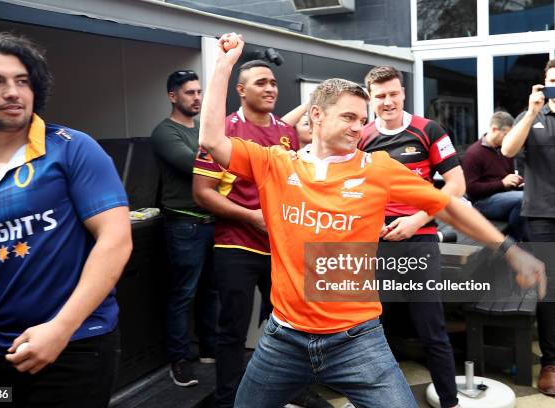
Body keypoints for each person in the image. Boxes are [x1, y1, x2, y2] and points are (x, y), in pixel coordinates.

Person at [198, 32, 546, 408]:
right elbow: (212, 139)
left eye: (361, 120)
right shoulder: (275, 164)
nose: (357, 127)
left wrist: (509, 250)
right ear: (316, 115)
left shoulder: (377, 168)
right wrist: (223, 65)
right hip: (283, 340)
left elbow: (449, 204)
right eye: (348, 116)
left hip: (357, 339)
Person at [0, 33, 132, 406]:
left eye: (23, 81)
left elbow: (116, 240)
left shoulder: (72, 147)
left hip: (77, 343)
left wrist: (61, 329)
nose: (13, 91)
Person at [193, 60, 327, 408]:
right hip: (234, 245)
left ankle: (292, 390)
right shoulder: (221, 130)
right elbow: (202, 192)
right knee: (233, 331)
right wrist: (251, 217)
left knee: (290, 327)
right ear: (241, 90)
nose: (270, 89)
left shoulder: (287, 131)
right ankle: (227, 399)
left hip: (281, 246)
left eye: (273, 83)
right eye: (261, 83)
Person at [358, 65, 465, 408]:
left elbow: (457, 185)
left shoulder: (428, 129)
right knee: (371, 328)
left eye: (393, 94)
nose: (387, 102)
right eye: (380, 96)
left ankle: (449, 401)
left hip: (420, 236)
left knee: (431, 327)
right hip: (377, 241)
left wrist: (418, 218)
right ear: (371, 98)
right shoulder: (361, 136)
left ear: (403, 92)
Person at [150, 69, 218, 387]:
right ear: (172, 96)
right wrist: (219, 157)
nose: (197, 98)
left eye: (199, 92)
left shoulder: (203, 128)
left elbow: (217, 158)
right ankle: (179, 360)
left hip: (211, 222)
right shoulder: (165, 132)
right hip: (184, 224)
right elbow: (198, 165)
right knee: (183, 295)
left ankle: (209, 349)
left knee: (210, 291)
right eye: (190, 92)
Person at [501, 59, 555, 396]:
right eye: (552, 79)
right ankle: (551, 362)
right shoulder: (531, 116)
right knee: (549, 290)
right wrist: (533, 111)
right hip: (542, 214)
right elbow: (508, 149)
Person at [462, 111, 528, 241]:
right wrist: (502, 183)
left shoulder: (505, 150)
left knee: (533, 195)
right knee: (524, 199)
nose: (510, 139)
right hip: (482, 203)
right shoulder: (473, 153)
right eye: (507, 135)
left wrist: (517, 182)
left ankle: (518, 243)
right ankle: (515, 245)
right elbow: (471, 189)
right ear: (494, 129)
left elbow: (506, 177)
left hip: (503, 197)